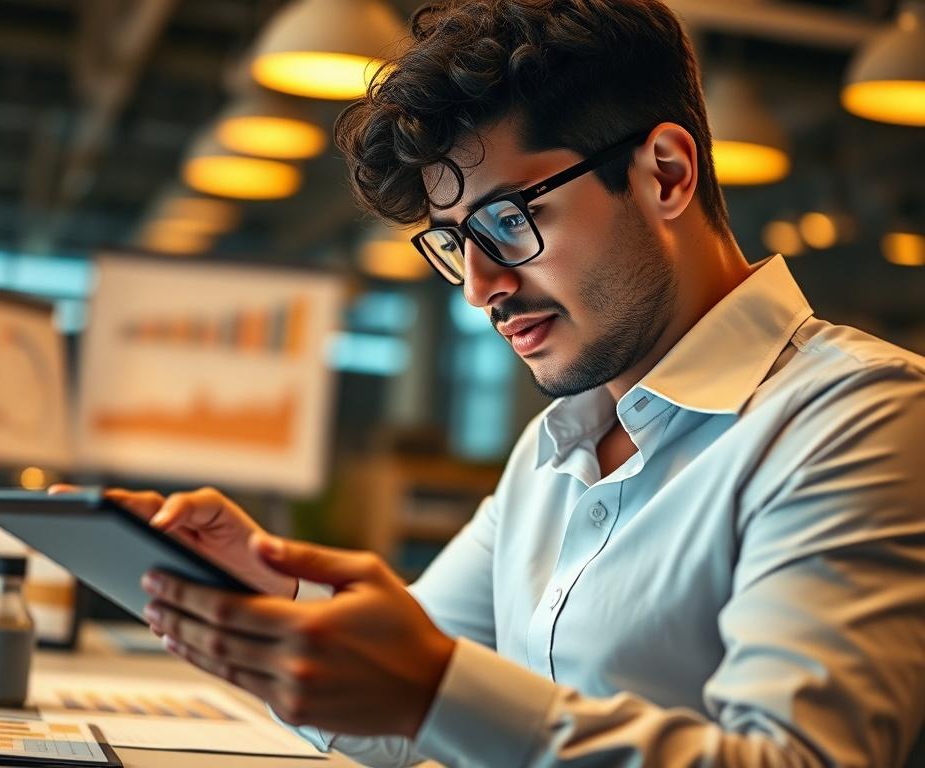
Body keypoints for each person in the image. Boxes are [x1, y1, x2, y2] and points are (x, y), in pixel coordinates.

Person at [55, 0, 925, 764]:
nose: (479, 286)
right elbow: (401, 717)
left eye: (508, 219)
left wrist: (433, 689)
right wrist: (266, 595)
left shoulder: (862, 420)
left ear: (665, 171)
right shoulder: (557, 447)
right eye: (453, 241)